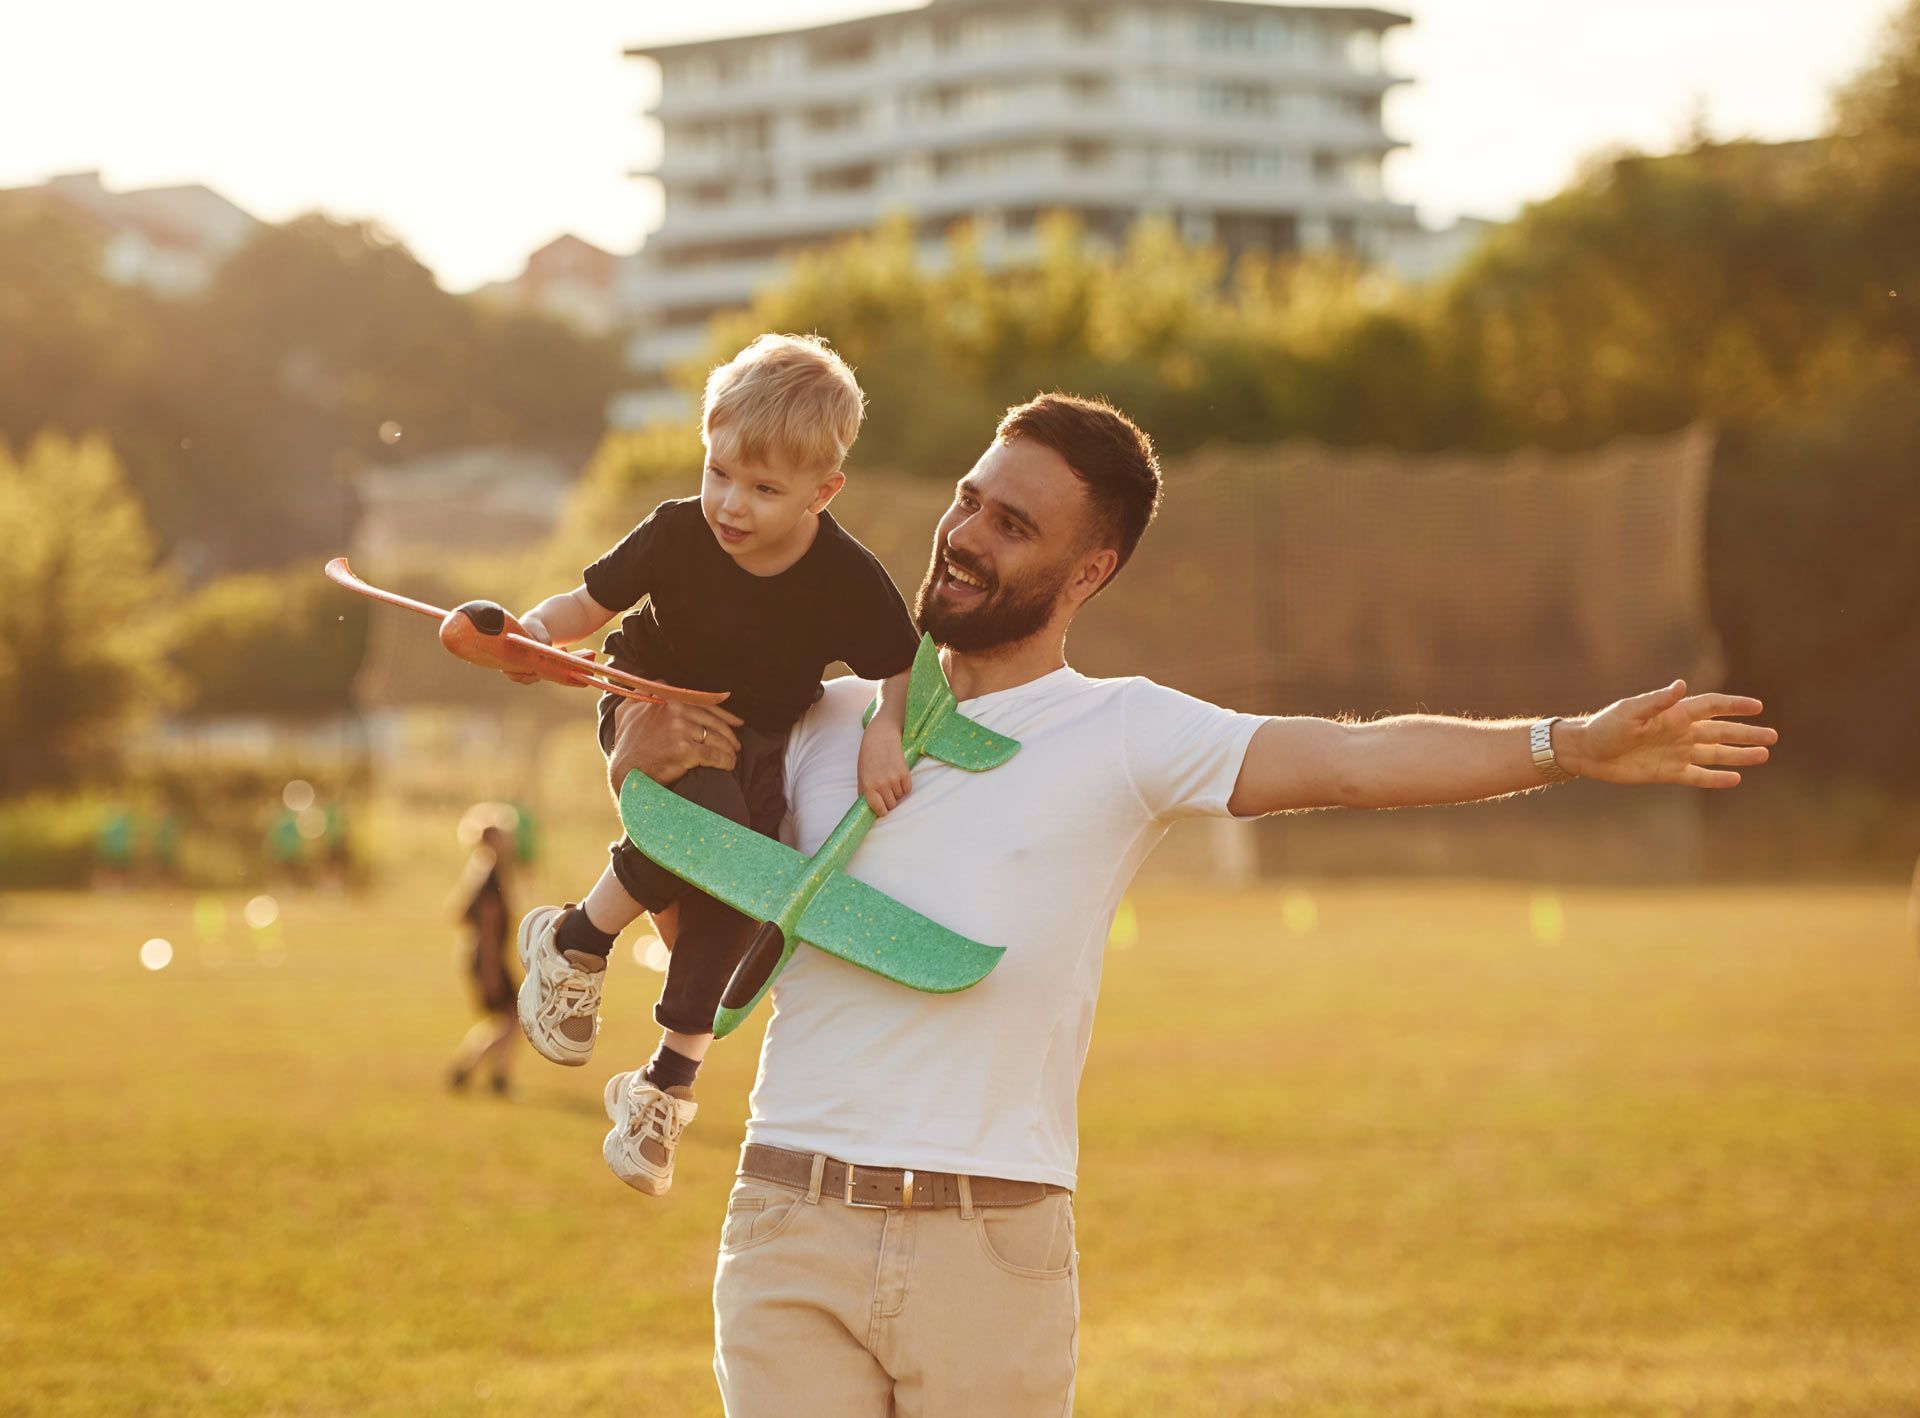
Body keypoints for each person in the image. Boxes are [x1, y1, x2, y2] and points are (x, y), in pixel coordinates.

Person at [609, 392, 1780, 1416]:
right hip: (787, 1216)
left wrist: (1562, 743)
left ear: (1089, 572)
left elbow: (1348, 761)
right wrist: (635, 764)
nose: (964, 538)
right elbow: (703, 940)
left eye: (1012, 525)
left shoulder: (1122, 729)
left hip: (987, 1238)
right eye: (969, 501)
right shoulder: (818, 718)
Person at [508, 333, 922, 1194]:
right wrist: (536, 636)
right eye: (719, 472)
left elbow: (900, 663)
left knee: (738, 899)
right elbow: (584, 604)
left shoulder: (845, 576)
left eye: (765, 489)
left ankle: (663, 1086)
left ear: (824, 490)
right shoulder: (675, 533)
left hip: (755, 742)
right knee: (713, 822)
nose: (731, 504)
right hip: (652, 698)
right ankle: (578, 942)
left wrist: (886, 731)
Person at [446, 804, 522, 1096]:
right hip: (487, 959)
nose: (509, 841)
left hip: (481, 957)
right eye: (503, 836)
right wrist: (490, 968)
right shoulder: (490, 875)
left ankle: (477, 1071)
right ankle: (487, 1074)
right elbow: (488, 929)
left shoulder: (481, 870)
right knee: (513, 1017)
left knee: (504, 1019)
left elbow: (461, 913)